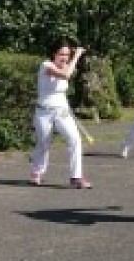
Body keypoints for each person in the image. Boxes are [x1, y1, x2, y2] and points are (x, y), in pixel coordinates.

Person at [29, 38, 92, 189]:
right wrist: (76, 55)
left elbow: (66, 77)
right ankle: (36, 173)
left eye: (67, 55)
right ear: (53, 53)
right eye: (61, 54)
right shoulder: (46, 65)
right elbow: (65, 75)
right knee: (43, 143)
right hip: (44, 112)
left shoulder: (66, 66)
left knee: (75, 140)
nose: (64, 57)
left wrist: (77, 56)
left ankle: (76, 177)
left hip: (62, 112)